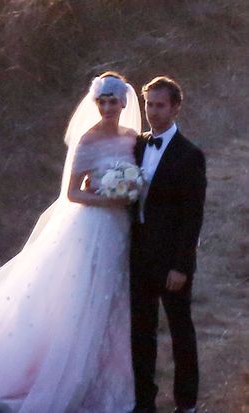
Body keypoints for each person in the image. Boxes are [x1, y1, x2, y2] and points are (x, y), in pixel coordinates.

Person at [0, 72, 141, 413]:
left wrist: (126, 191)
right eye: (103, 102)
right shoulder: (87, 141)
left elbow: (135, 177)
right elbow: (72, 192)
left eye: (114, 101)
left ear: (124, 102)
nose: (108, 107)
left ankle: (105, 377)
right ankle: (65, 376)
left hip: (120, 229)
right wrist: (107, 199)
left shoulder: (131, 139)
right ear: (97, 105)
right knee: (83, 298)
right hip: (93, 226)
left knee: (113, 300)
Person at [130, 76, 207, 413]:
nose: (153, 112)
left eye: (161, 106)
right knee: (141, 333)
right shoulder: (136, 145)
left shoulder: (190, 155)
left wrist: (181, 266)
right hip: (138, 256)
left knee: (180, 333)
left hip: (171, 260)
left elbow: (193, 217)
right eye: (149, 104)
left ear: (176, 108)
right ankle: (143, 402)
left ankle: (186, 403)